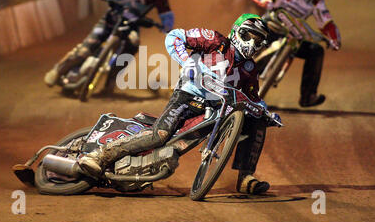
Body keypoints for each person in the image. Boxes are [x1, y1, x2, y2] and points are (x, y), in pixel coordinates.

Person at [79, 13, 281, 195]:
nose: (252, 44)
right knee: (161, 136)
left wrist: (266, 112)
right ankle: (100, 157)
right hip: (188, 96)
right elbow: (175, 36)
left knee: (256, 119)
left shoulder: (249, 67)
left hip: (215, 112)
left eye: (258, 40)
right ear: (237, 32)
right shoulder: (215, 40)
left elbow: (253, 97)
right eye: (249, 36)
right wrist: (187, 62)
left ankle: (245, 178)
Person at [44, 0, 175, 88]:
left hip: (132, 24)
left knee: (133, 44)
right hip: (111, 18)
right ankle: (58, 70)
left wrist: (166, 26)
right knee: (85, 49)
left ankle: (112, 80)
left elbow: (165, 12)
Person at [250, 0, 341, 107]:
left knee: (316, 51)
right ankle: (226, 70)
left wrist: (334, 39)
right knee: (246, 37)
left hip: (294, 35)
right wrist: (266, 1)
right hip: (270, 25)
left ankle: (308, 96)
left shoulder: (316, 0)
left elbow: (326, 22)